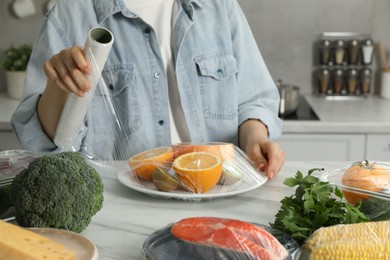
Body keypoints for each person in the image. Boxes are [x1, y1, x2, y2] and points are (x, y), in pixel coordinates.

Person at [11, 0, 285, 178]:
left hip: (219, 194)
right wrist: (59, 88)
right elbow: (44, 144)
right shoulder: (70, 14)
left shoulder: (219, 7)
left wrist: (254, 137)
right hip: (120, 211)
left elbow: (253, 98)